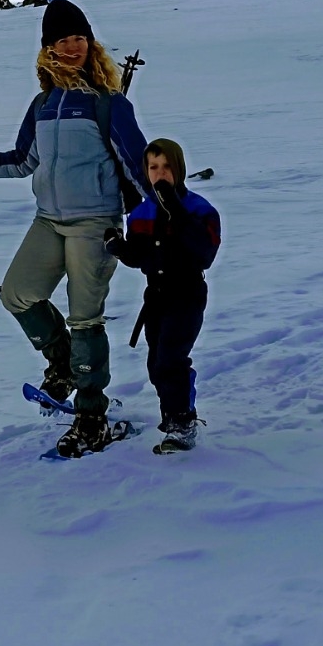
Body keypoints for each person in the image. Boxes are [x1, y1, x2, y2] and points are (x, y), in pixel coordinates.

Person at [0, 0, 152, 457]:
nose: (73, 45)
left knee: (86, 319)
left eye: (80, 37)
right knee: (17, 292)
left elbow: (139, 168)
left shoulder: (109, 103)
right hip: (49, 220)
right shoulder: (42, 105)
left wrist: (159, 221)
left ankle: (91, 418)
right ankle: (61, 363)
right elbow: (24, 161)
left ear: (90, 44)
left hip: (94, 225)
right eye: (62, 39)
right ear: (48, 49)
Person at [106, 139, 220, 454]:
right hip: (156, 297)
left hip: (187, 292)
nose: (160, 174)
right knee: (157, 364)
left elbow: (205, 253)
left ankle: (183, 424)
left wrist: (177, 213)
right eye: (153, 167)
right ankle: (172, 417)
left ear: (179, 169)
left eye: (167, 167)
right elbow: (140, 255)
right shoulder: (143, 212)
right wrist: (119, 247)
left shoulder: (199, 209)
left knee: (172, 358)